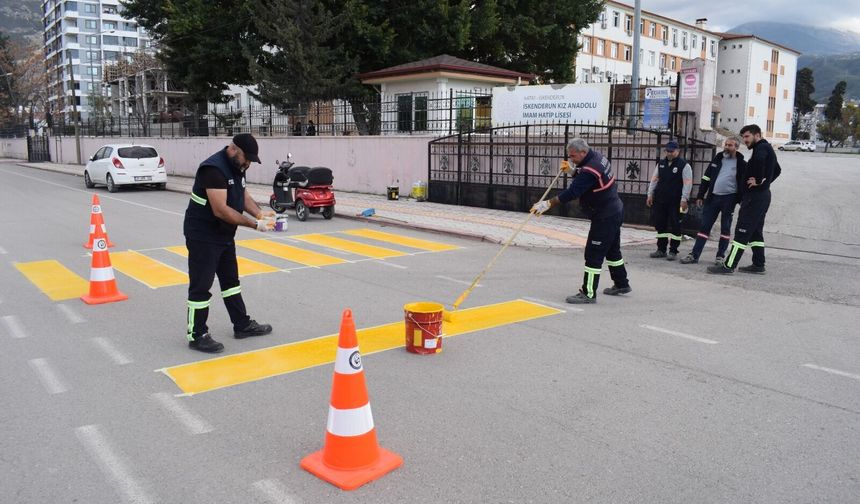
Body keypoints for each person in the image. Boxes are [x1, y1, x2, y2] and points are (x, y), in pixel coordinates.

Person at [183, 133, 276, 353]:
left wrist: (261, 214)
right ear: (234, 150)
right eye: (247, 158)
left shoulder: (237, 167)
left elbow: (241, 195)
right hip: (203, 235)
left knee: (231, 281)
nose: (249, 163)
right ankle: (197, 335)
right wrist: (255, 225)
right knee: (201, 286)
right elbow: (221, 210)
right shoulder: (213, 169)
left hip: (224, 235)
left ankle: (241, 325)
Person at [530, 138, 631, 304]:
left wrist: (547, 204)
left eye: (573, 157)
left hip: (605, 216)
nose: (571, 159)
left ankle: (588, 293)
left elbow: (573, 192)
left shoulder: (591, 168)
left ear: (583, 152)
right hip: (615, 210)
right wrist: (573, 171)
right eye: (570, 157)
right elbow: (587, 178)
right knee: (612, 251)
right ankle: (622, 283)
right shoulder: (597, 157)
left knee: (593, 254)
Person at [708, 124, 780, 275]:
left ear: (757, 135)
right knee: (755, 232)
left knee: (742, 231)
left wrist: (759, 181)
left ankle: (728, 266)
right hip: (761, 196)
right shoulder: (766, 148)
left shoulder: (760, 148)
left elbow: (761, 162)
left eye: (747, 137)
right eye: (743, 137)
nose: (745, 140)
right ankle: (759, 264)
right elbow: (777, 170)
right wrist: (765, 184)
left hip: (755, 198)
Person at [680, 137, 746, 265]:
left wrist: (742, 200)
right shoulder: (717, 159)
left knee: (725, 228)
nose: (726, 147)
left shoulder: (742, 164)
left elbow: (743, 183)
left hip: (729, 199)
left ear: (736, 147)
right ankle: (694, 255)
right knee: (705, 226)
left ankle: (720, 256)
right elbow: (706, 178)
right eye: (725, 144)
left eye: (730, 145)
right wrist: (700, 195)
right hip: (713, 198)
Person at [646, 140, 692, 261]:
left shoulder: (684, 165)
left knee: (676, 225)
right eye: (668, 151)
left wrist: (684, 199)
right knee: (660, 225)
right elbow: (654, 180)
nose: (670, 153)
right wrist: (650, 194)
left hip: (677, 201)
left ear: (678, 151)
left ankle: (673, 251)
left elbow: (687, 184)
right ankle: (661, 249)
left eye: (672, 151)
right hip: (661, 200)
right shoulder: (661, 164)